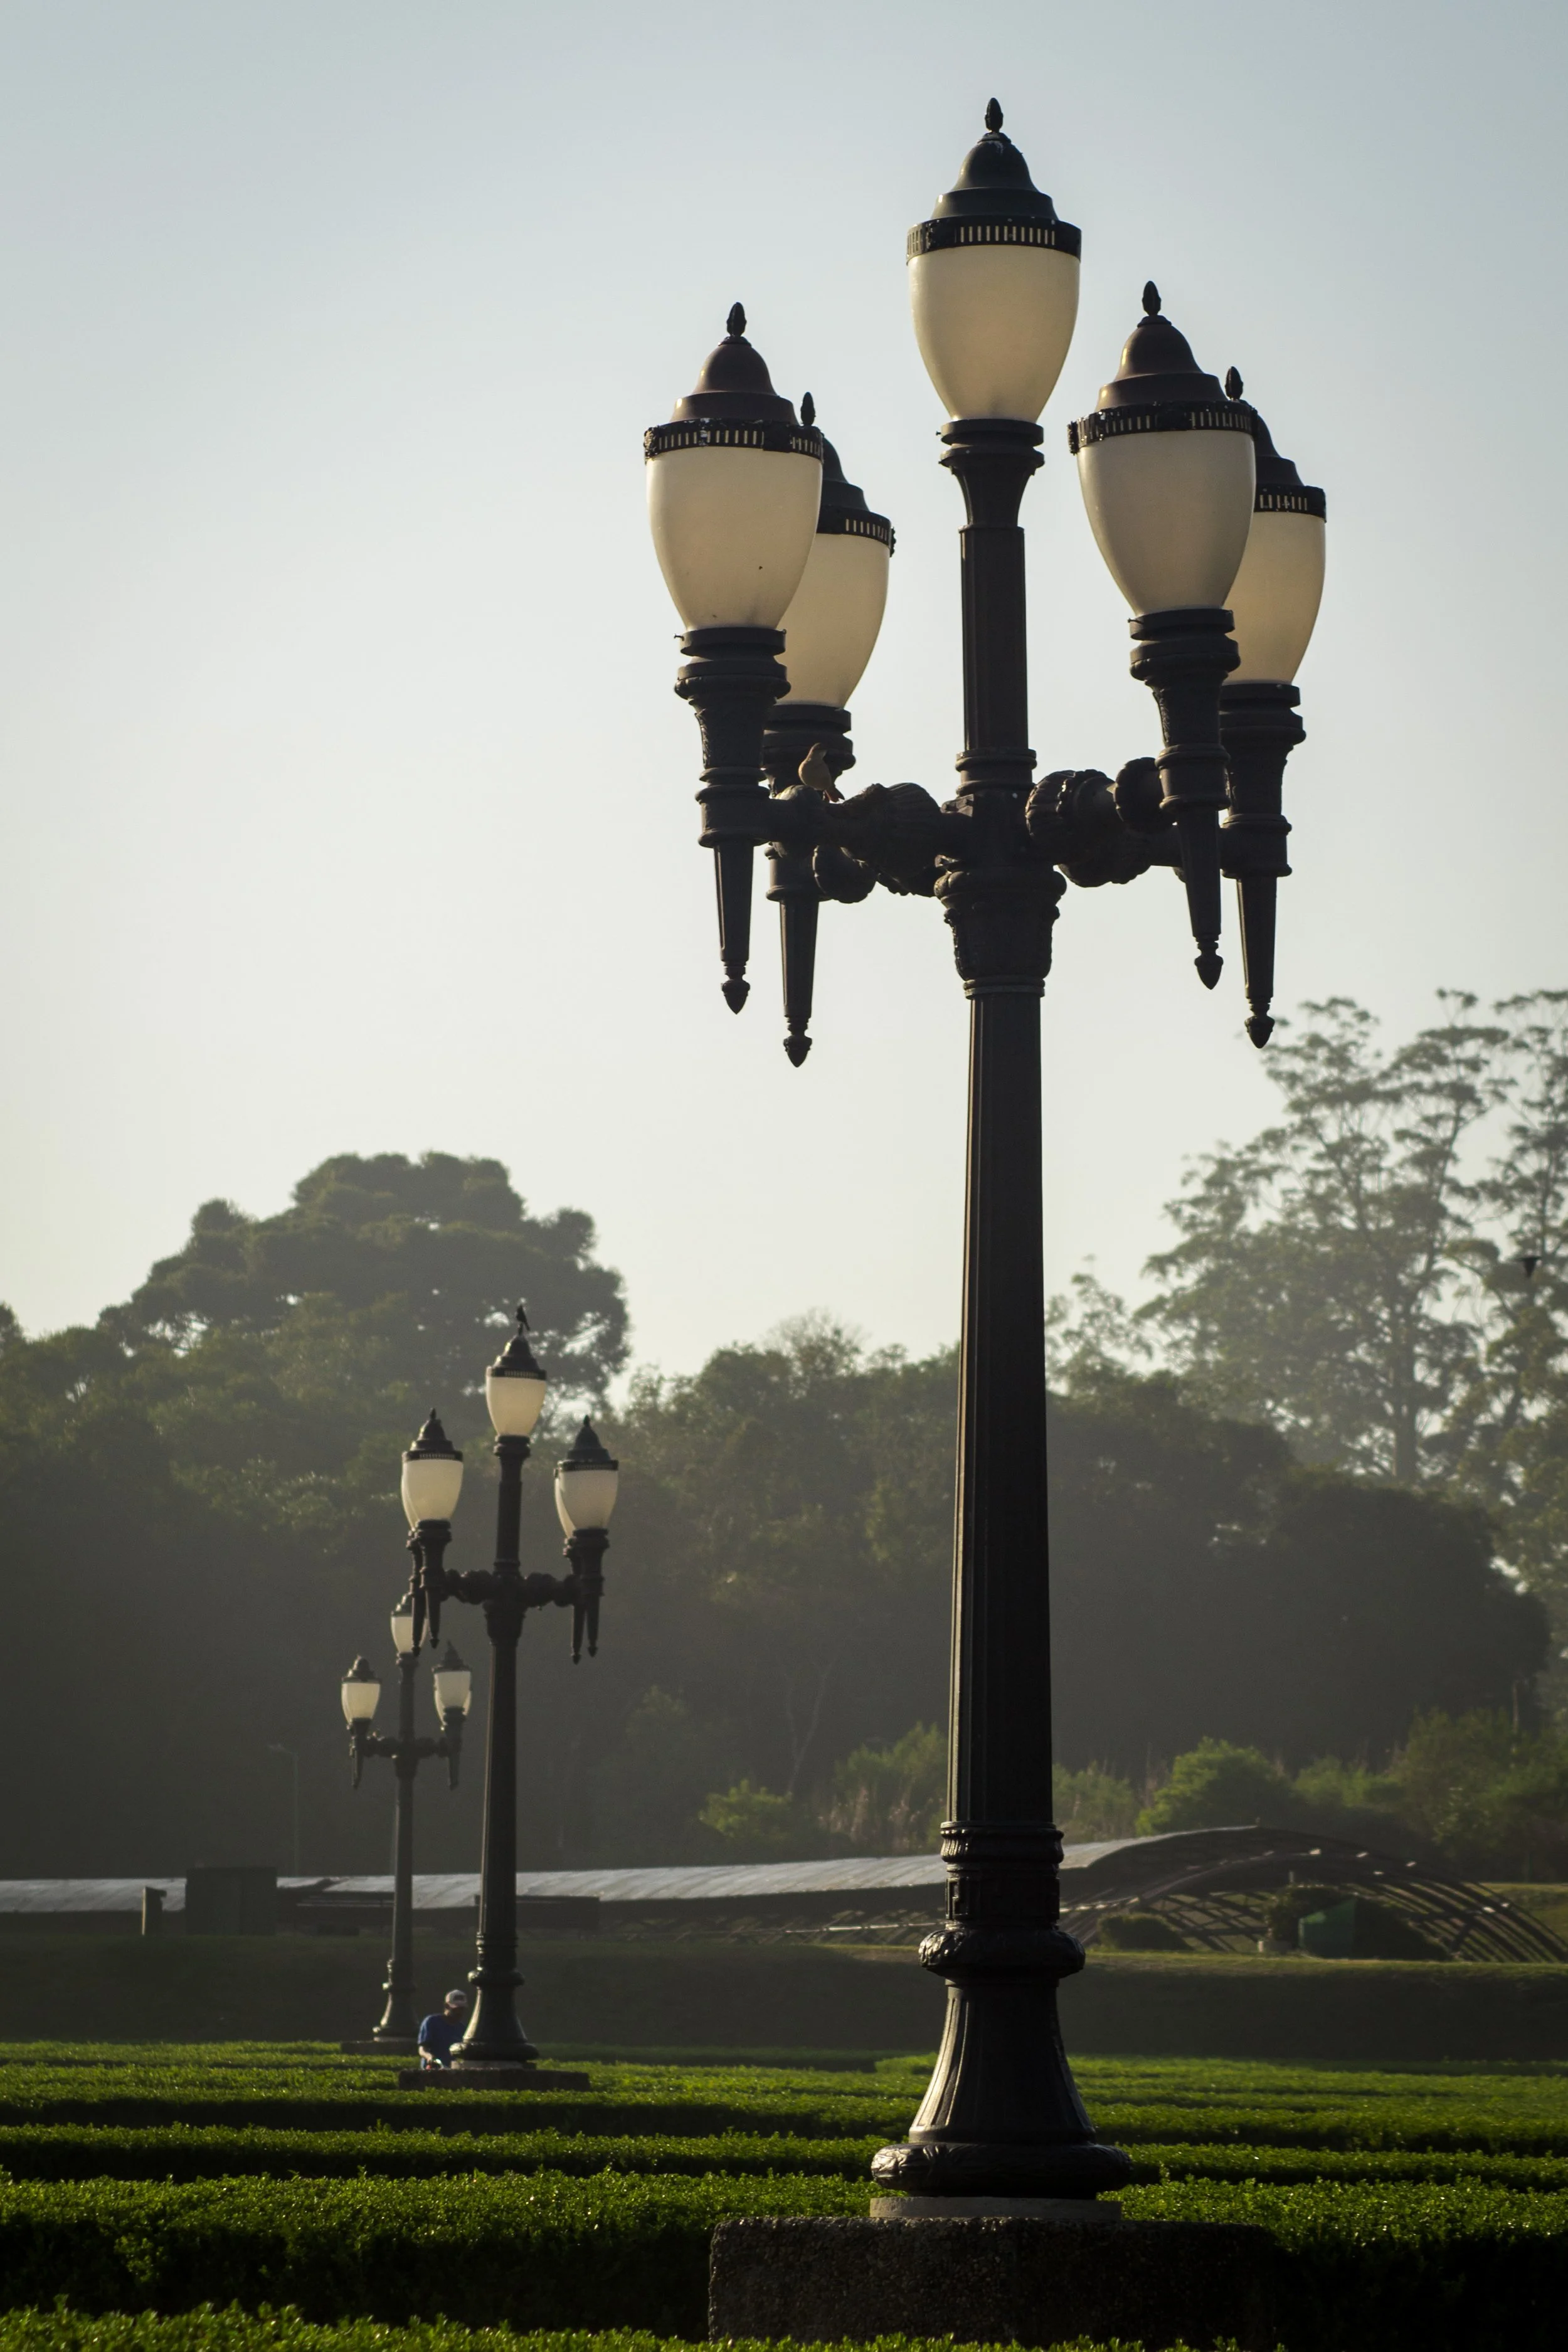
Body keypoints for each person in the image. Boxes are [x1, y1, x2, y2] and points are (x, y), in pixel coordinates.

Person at [416, 1987, 469, 2067]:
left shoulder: (462, 2029)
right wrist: (430, 2057)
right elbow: (422, 2049)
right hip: (433, 2069)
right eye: (455, 2009)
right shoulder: (431, 2022)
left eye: (461, 2009)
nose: (459, 2013)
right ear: (446, 2006)